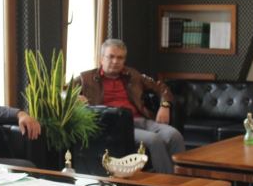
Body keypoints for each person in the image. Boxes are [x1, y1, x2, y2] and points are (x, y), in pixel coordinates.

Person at [76, 38, 185, 173]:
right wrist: (74, 98)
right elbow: (61, 92)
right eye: (111, 56)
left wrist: (165, 105)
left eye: (120, 58)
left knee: (174, 135)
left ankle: (183, 176)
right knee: (153, 140)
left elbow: (161, 88)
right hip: (116, 125)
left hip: (140, 120)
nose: (115, 61)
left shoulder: (133, 75)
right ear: (101, 59)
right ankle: (168, 181)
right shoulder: (86, 78)